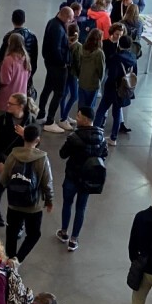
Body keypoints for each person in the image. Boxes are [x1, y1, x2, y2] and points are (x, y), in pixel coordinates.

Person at [56, 105, 108, 251]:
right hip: (88, 179)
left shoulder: (74, 137)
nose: (76, 118)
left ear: (85, 119)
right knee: (81, 208)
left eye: (78, 116)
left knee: (67, 204)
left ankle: (64, 232)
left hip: (72, 176)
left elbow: (62, 154)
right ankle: (74, 240)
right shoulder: (101, 137)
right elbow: (104, 155)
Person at [0, 125, 54, 262]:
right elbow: (47, 183)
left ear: (23, 137)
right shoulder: (42, 159)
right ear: (38, 139)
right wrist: (49, 201)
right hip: (33, 206)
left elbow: (4, 180)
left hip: (14, 203)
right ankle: (18, 259)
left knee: (11, 233)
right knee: (34, 234)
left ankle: (10, 259)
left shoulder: (13, 155)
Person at [95, 33, 138, 144]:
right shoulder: (133, 57)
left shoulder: (116, 58)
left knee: (101, 110)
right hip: (124, 89)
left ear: (119, 44)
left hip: (112, 88)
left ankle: (94, 133)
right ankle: (113, 137)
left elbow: (112, 75)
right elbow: (135, 73)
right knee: (117, 112)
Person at [40, 6, 75, 132]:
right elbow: (56, 49)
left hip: (50, 63)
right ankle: (50, 120)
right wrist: (63, 63)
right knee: (59, 93)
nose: (71, 21)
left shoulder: (52, 22)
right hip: (57, 66)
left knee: (48, 87)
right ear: (65, 16)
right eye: (70, 18)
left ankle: (41, 113)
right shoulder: (58, 29)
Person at [0, 33, 31, 114]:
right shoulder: (26, 59)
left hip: (7, 98)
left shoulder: (9, 60)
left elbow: (5, 80)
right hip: (21, 97)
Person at [74, 28, 106, 111]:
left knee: (81, 106)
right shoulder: (99, 53)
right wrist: (100, 81)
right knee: (89, 107)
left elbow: (78, 64)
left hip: (82, 81)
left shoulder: (82, 48)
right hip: (93, 83)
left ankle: (80, 121)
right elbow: (101, 70)